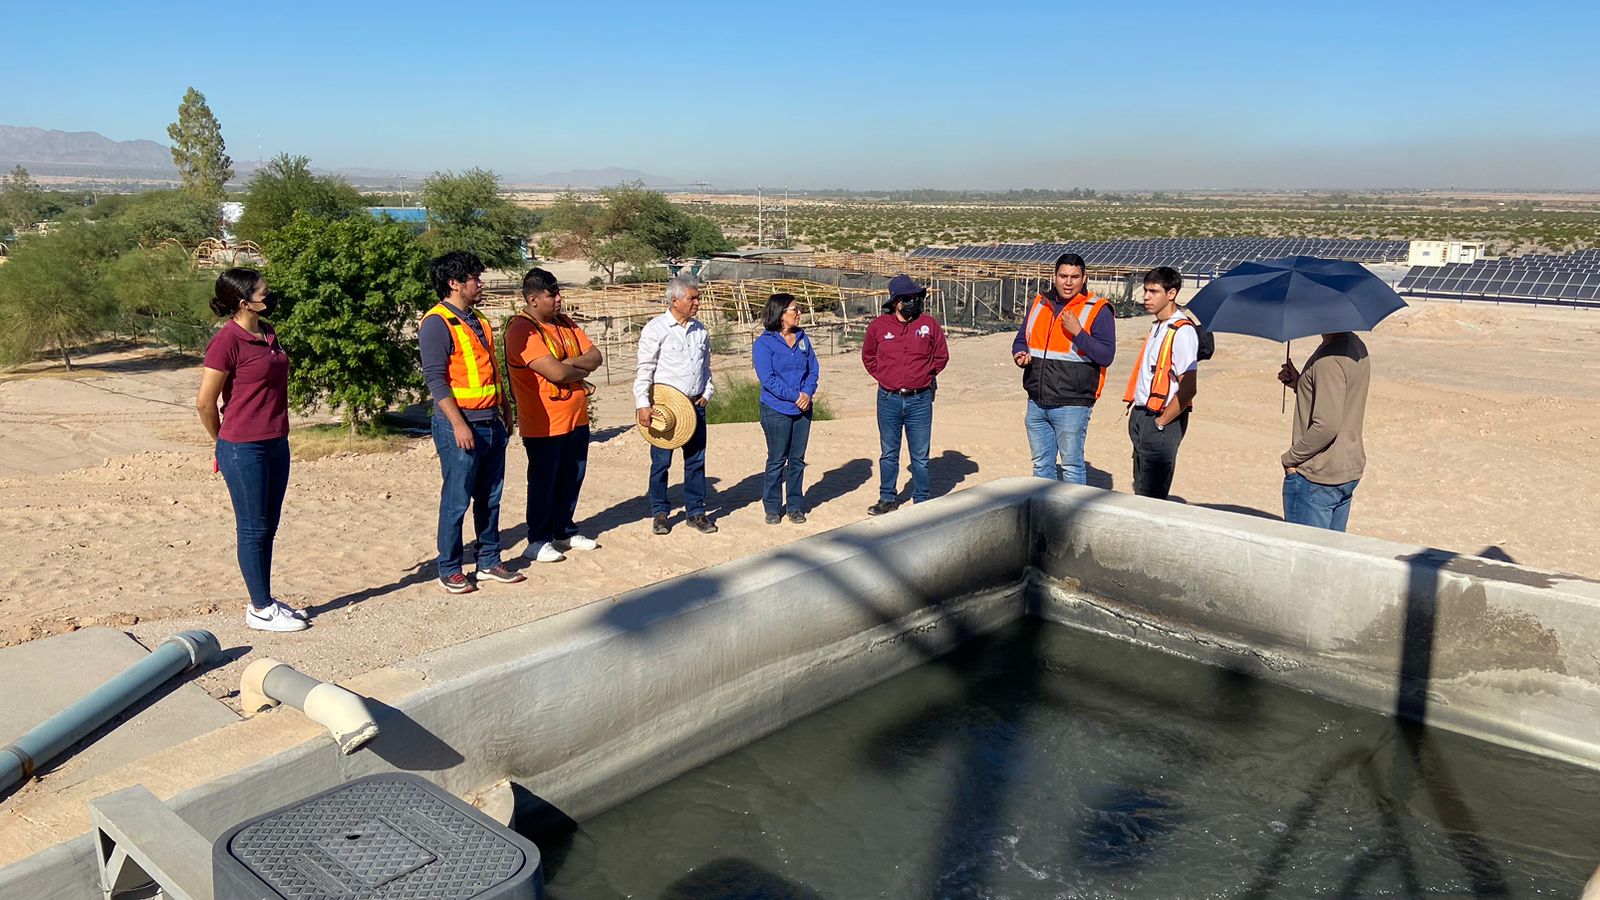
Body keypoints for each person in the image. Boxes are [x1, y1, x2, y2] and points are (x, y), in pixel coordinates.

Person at [196, 267, 308, 632]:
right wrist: (222, 441)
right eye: (264, 292)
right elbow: (204, 403)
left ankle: (267, 599)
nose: (269, 295)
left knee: (268, 526)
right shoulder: (226, 341)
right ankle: (260, 608)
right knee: (252, 528)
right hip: (243, 447)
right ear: (244, 303)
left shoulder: (268, 332)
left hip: (277, 442)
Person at [419, 251, 526, 593]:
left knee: (491, 496)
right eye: (474, 278)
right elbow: (436, 380)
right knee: (457, 499)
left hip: (491, 420)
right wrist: (458, 424)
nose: (479, 283)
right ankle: (449, 567)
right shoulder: (436, 322)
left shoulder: (477, 319)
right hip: (459, 426)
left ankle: (489, 560)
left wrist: (506, 408)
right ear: (454, 283)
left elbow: (492, 370)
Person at [505, 268, 603, 563]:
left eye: (558, 293)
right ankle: (537, 538)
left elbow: (595, 356)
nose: (559, 299)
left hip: (576, 418)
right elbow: (554, 372)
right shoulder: (523, 329)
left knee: (572, 477)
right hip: (544, 423)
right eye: (552, 295)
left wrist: (571, 363)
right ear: (533, 299)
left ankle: (564, 530)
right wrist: (575, 370)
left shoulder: (565, 323)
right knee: (543, 482)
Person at [1012, 253, 1116, 484]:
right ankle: (1045, 516)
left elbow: (1106, 356)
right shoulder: (1040, 303)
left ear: (1084, 278)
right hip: (1037, 401)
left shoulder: (1098, 309)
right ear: (1054, 276)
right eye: (1063, 276)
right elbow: (1022, 339)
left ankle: (1071, 519)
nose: (1068, 282)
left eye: (1074, 277)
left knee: (1071, 466)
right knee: (1041, 465)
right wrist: (1019, 354)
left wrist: (1078, 332)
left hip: (1072, 404)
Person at [635, 276, 718, 535]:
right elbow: (645, 369)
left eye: (698, 297)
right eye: (692, 298)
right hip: (666, 408)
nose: (697, 303)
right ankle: (659, 511)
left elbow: (705, 367)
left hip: (695, 405)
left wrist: (708, 391)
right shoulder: (655, 329)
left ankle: (696, 512)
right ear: (675, 300)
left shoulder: (701, 330)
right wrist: (643, 404)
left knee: (696, 461)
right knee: (661, 461)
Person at [862, 274, 949, 515]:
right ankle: (887, 498)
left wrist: (926, 375)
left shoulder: (929, 325)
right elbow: (868, 356)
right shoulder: (878, 327)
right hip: (888, 399)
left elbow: (941, 356)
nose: (914, 302)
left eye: (916, 297)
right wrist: (885, 376)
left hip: (919, 400)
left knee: (920, 455)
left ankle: (921, 499)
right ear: (897, 301)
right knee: (889, 452)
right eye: (909, 298)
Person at [1278, 332, 1371, 531]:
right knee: (1330, 554)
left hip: (1318, 476)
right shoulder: (1355, 345)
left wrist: (1290, 459)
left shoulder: (1328, 361)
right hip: (1345, 469)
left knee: (1306, 557)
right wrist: (1301, 384)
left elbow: (1327, 425)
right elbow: (1339, 395)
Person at [1122, 266, 1200, 500]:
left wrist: (1161, 422)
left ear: (1171, 293)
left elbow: (1189, 388)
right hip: (1142, 415)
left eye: (1154, 291)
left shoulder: (1182, 332)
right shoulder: (1157, 326)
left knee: (1151, 496)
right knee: (1141, 488)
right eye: (1146, 290)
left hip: (1162, 419)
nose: (1146, 296)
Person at [752, 292, 820, 525]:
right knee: (777, 459)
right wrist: (795, 396)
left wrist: (808, 393)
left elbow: (813, 369)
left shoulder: (803, 338)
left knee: (797, 459)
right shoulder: (764, 343)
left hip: (803, 409)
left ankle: (794, 505)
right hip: (776, 408)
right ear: (781, 314)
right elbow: (768, 379)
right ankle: (772, 506)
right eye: (794, 309)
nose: (799, 313)